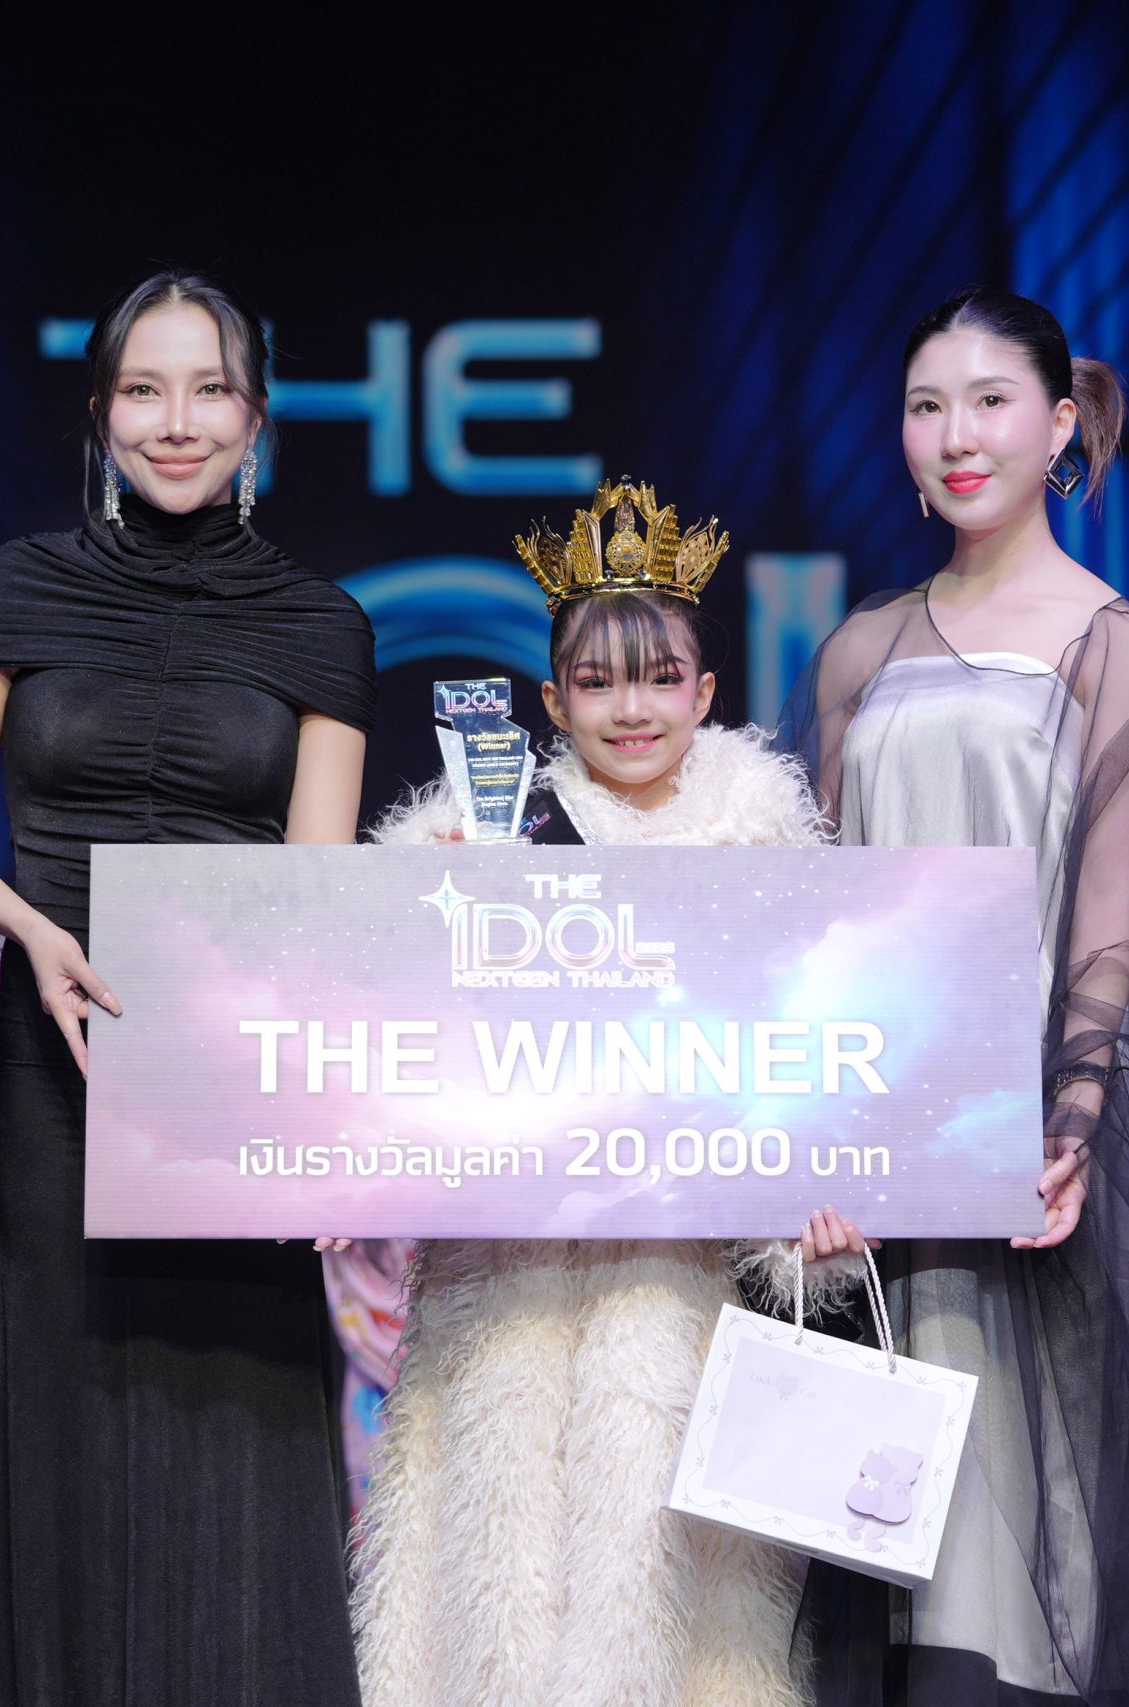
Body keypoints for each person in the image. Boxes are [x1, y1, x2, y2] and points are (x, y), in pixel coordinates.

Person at [777, 288, 1129, 1706]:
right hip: (868, 1146)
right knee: (862, 1558)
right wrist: (810, 1141)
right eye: (926, 406)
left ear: (1059, 424)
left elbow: (1105, 918)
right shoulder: (861, 647)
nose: (956, 435)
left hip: (1012, 1149)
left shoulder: (1112, 644)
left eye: (990, 402)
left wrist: (1070, 1120)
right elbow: (819, 920)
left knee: (1006, 1573)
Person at [0, 272, 377, 1706]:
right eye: (145, 390)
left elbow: (318, 891)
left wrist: (300, 1096)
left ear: (256, 418)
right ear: (102, 412)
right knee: (71, 1396)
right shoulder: (17, 586)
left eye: (210, 390)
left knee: (242, 1410)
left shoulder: (319, 623)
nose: (178, 422)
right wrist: (32, 929)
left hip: (232, 1070)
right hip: (59, 1054)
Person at [351, 480, 849, 1707]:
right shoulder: (482, 836)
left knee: (671, 1617)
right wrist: (432, 909)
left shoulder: (766, 851)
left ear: (705, 692)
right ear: (552, 701)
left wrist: (811, 1228)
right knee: (499, 1609)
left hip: (680, 1292)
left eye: (660, 679)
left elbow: (806, 1075)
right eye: (598, 683)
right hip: (503, 1297)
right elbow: (389, 1050)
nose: (631, 710)